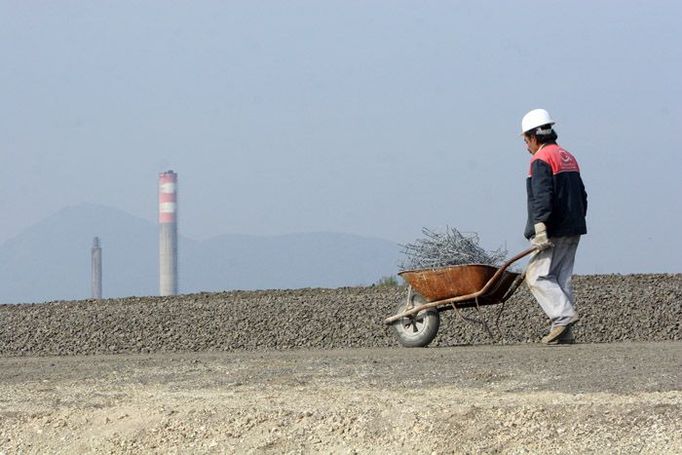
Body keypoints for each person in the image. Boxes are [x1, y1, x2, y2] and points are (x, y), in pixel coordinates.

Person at [521, 108, 588, 345]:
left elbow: (542, 195)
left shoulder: (540, 159)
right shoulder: (567, 156)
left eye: (525, 140)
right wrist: (578, 219)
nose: (526, 145)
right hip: (574, 226)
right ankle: (564, 331)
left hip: (553, 229)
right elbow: (582, 194)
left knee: (536, 276)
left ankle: (562, 318)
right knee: (561, 278)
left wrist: (540, 227)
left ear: (533, 137)